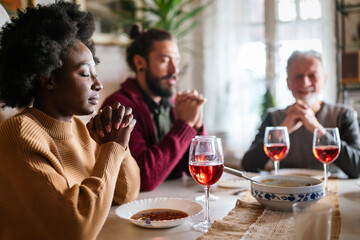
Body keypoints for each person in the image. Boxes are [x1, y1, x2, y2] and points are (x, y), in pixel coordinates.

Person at [0, 2, 140, 239]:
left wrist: (117, 144)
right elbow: (76, 228)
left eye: (95, 73)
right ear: (48, 80)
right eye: (85, 73)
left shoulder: (80, 128)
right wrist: (112, 147)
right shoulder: (19, 133)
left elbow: (126, 194)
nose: (99, 84)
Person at [101, 24, 206, 191]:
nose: (174, 70)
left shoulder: (172, 103)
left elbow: (196, 168)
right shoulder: (119, 107)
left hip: (178, 197)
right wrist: (184, 125)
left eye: (176, 61)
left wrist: (196, 124)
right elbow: (142, 179)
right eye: (165, 60)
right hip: (137, 209)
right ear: (140, 62)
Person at [242, 50, 360, 178]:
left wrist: (317, 129)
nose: (305, 83)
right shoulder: (273, 117)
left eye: (312, 76)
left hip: (333, 192)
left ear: (324, 80)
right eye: (298, 76)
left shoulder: (343, 114)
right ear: (288, 83)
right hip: (287, 190)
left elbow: (357, 168)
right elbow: (248, 166)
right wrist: (283, 129)